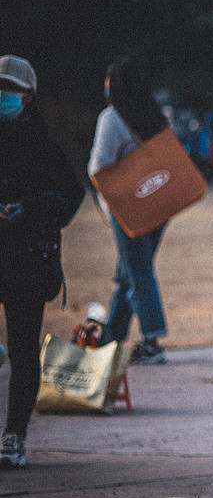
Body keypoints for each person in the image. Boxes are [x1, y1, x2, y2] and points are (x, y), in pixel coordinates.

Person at [0, 56, 85, 469]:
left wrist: (27, 209)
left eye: (11, 90)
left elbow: (70, 194)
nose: (4, 96)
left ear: (29, 96)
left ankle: (14, 436)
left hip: (26, 260)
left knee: (22, 350)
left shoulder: (41, 144)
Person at [88, 57, 174, 364]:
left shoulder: (112, 119)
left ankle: (152, 340)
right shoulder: (157, 116)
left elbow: (98, 169)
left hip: (128, 207)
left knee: (137, 272)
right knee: (129, 272)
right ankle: (113, 335)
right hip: (161, 203)